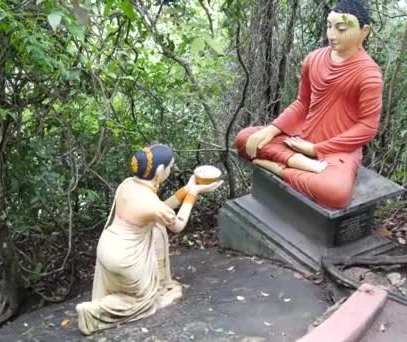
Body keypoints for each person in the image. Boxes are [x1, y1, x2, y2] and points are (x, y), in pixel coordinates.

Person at [234, 0, 383, 209]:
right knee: (245, 138)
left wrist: (316, 149)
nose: (332, 34)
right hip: (301, 137)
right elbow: (302, 104)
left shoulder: (369, 74)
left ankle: (281, 168)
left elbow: (367, 127)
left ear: (364, 31)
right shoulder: (313, 59)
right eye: (329, 26)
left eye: (341, 29)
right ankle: (298, 163)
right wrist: (272, 129)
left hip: (338, 149)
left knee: (335, 193)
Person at [76, 144, 222, 335]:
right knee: (141, 302)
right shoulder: (150, 201)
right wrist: (194, 193)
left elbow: (159, 211)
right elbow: (177, 224)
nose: (170, 170)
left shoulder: (128, 184)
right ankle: (93, 312)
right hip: (126, 258)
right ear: (160, 171)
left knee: (157, 228)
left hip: (108, 247)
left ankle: (156, 282)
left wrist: (187, 188)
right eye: (169, 167)